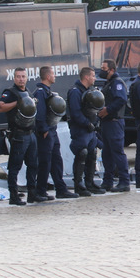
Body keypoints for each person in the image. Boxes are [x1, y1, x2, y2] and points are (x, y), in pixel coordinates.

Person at [34, 66, 81, 201]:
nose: (55, 77)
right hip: (47, 132)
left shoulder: (47, 92)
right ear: (48, 77)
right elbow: (40, 113)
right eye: (53, 74)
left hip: (52, 131)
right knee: (45, 162)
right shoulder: (41, 92)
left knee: (56, 161)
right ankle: (41, 190)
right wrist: (44, 130)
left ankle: (61, 189)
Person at [0, 68, 40, 205]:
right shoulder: (10, 92)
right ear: (14, 78)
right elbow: (0, 107)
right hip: (18, 134)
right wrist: (18, 102)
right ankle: (14, 196)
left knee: (33, 164)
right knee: (15, 167)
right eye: (18, 76)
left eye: (23, 76)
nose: (21, 79)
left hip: (31, 133)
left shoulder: (28, 91)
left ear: (27, 78)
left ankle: (32, 194)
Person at [67, 67, 106, 195]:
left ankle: (89, 183)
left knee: (92, 153)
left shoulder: (89, 91)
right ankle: (79, 185)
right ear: (86, 77)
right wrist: (87, 124)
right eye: (93, 76)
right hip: (80, 129)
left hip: (90, 130)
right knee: (81, 153)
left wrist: (94, 124)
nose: (95, 78)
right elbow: (75, 113)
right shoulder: (75, 92)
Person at [97, 59, 131, 192]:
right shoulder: (108, 83)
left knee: (117, 152)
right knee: (107, 154)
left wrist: (108, 110)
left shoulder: (117, 83)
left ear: (111, 70)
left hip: (114, 122)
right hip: (106, 123)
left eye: (104, 68)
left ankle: (124, 181)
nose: (102, 70)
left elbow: (121, 99)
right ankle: (108, 181)